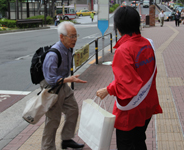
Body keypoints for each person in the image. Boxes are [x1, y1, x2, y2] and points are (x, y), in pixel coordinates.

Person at [96, 6, 163, 150]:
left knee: (126, 144)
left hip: (131, 109)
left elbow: (126, 86)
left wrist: (108, 89)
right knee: (139, 140)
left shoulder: (124, 50)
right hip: (147, 102)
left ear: (119, 27)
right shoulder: (148, 43)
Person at [41, 21, 87, 150]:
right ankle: (47, 148)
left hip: (63, 86)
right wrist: (68, 79)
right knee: (53, 120)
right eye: (71, 36)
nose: (75, 39)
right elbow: (50, 79)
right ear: (62, 37)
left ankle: (66, 139)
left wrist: (67, 80)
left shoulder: (68, 49)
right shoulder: (52, 55)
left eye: (76, 35)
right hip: (52, 89)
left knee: (73, 110)